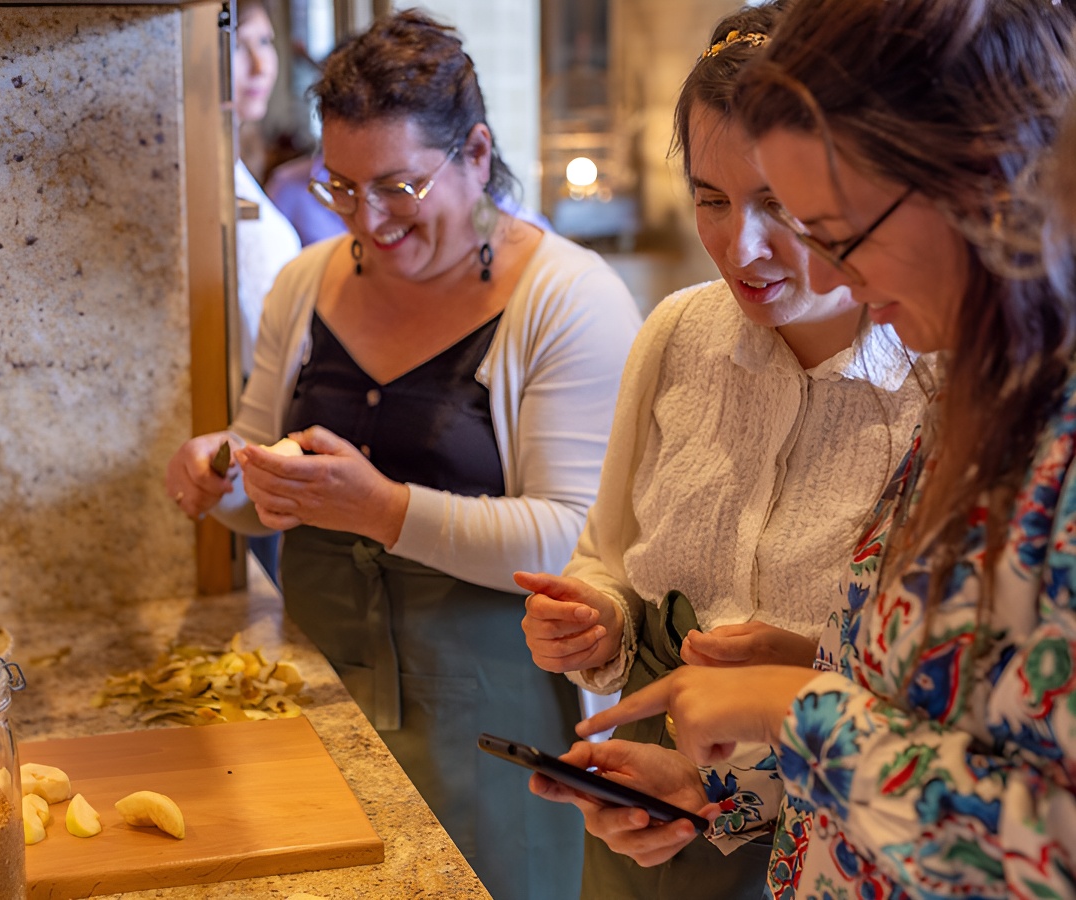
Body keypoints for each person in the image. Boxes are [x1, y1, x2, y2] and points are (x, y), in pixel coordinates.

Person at [548, 1, 1076, 896]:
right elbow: (911, 735)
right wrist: (725, 793)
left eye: (838, 227)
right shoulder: (974, 411)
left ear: (983, 189)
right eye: (713, 201)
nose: (827, 275)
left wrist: (788, 702)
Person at [165, 10, 642, 899]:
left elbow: (575, 540)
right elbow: (261, 449)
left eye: (399, 187)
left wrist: (379, 508)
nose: (369, 219)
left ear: (473, 153)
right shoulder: (305, 282)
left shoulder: (567, 297)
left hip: (490, 701)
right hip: (313, 682)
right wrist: (223, 468)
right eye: (341, 188)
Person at [518, 4, 929, 898]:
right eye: (710, 199)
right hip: (646, 799)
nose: (739, 246)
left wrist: (802, 668)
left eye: (779, 205)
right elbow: (609, 556)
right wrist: (595, 619)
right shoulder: (678, 333)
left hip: (829, 819)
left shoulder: (934, 379)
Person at [232, 0, 301, 584]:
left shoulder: (244, 167)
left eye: (267, 44)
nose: (259, 65)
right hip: (252, 439)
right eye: (237, 45)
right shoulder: (219, 176)